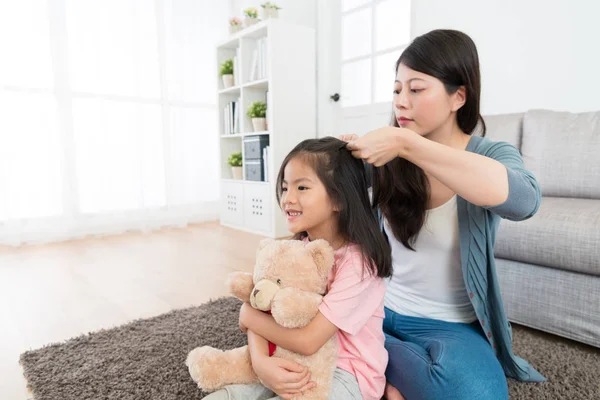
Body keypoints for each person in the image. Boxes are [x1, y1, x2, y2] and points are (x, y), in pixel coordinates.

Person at [342, 29, 546, 400]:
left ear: (458, 96)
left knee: (481, 394)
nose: (401, 102)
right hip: (378, 306)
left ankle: (370, 364)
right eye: (397, 89)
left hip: (448, 326)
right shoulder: (390, 155)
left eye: (416, 89)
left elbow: (525, 201)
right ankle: (382, 363)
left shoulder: (490, 153)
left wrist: (408, 143)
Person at [204, 137, 393, 400]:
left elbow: (308, 341)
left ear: (339, 198)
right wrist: (261, 362)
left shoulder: (360, 265)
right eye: (284, 188)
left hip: (346, 374)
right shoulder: (293, 251)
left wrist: (247, 315)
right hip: (286, 356)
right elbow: (263, 308)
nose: (287, 199)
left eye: (302, 187)